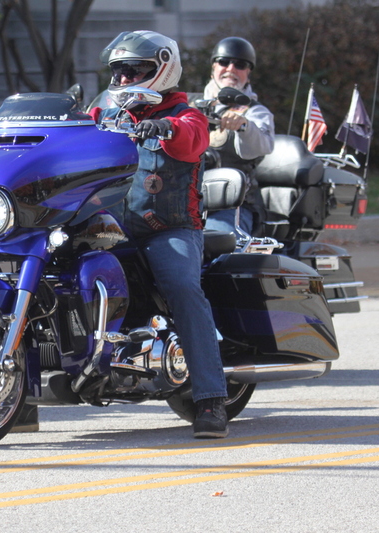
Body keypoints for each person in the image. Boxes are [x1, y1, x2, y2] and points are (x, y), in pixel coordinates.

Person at [90, 30, 228, 438]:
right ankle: (26, 396)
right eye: (121, 71)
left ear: (164, 69)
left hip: (167, 229)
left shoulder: (187, 116)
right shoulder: (105, 112)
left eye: (137, 70)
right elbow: (73, 135)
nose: (127, 79)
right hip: (107, 229)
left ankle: (210, 399)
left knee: (182, 287)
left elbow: (191, 140)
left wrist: (164, 128)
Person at [202, 37, 275, 236]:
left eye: (240, 65)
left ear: (248, 74)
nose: (231, 69)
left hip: (231, 206)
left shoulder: (254, 112)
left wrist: (244, 126)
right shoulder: (191, 104)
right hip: (181, 202)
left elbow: (263, 145)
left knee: (214, 243)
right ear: (213, 68)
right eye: (224, 62)